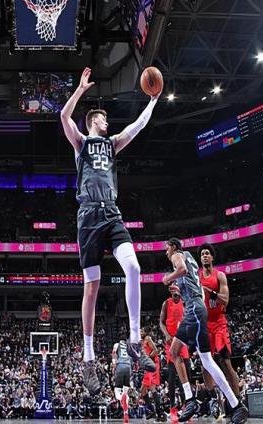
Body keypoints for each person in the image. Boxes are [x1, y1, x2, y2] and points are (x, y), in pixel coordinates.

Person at [60, 67, 158, 395]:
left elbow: (137, 126)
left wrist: (153, 101)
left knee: (134, 268)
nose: (107, 122)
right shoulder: (82, 143)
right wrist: (79, 90)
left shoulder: (113, 144)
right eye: (103, 119)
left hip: (112, 213)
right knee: (92, 287)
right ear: (94, 122)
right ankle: (88, 359)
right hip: (88, 216)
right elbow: (63, 116)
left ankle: (135, 342)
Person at [162, 238, 248, 423]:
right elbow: (195, 286)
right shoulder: (191, 259)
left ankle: (191, 399)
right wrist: (180, 288)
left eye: (167, 248)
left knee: (178, 353)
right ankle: (235, 405)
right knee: (203, 360)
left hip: (194, 309)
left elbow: (181, 269)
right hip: (198, 308)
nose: (166, 252)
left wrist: (168, 278)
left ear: (174, 247)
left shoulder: (177, 255)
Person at [199, 243, 240, 418]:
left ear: (212, 257)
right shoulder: (197, 277)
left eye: (207, 253)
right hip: (204, 324)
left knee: (225, 361)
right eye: (202, 254)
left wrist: (210, 292)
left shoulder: (220, 276)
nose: (205, 255)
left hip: (219, 323)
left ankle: (238, 402)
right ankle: (214, 400)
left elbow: (225, 300)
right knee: (205, 365)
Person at [159, 285, 191, 421]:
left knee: (187, 375)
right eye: (172, 292)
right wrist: (166, 334)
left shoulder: (185, 303)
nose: (174, 294)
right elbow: (161, 322)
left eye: (176, 291)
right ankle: (172, 407)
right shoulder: (166, 303)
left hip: (182, 341)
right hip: (171, 341)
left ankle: (187, 405)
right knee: (172, 376)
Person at [140, 329, 164, 422]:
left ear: (145, 332)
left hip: (153, 364)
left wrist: (148, 358)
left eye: (142, 331)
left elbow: (156, 350)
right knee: (142, 391)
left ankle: (160, 413)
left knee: (152, 388)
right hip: (148, 366)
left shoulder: (148, 338)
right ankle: (152, 411)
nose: (140, 333)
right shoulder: (141, 342)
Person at [112, 338, 133, 423]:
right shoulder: (129, 346)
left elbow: (114, 354)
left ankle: (121, 398)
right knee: (125, 392)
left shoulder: (116, 344)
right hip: (128, 367)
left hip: (120, 365)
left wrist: (114, 365)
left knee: (117, 391)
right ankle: (126, 413)